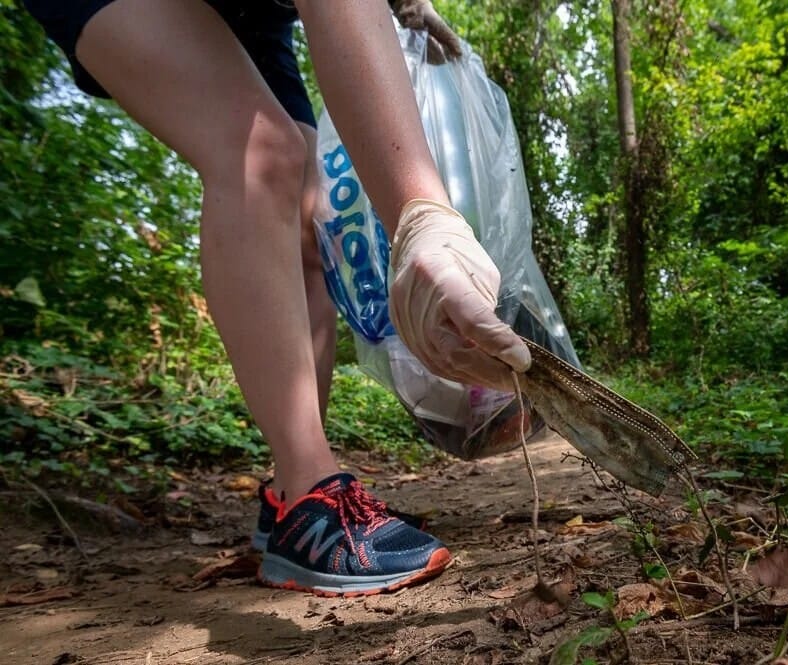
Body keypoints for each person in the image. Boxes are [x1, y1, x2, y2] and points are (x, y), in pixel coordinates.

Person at [22, 0, 531, 597]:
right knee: (263, 151)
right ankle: (309, 486)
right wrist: (419, 217)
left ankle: (291, 491)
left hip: (253, 15)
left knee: (306, 221)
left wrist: (427, 220)